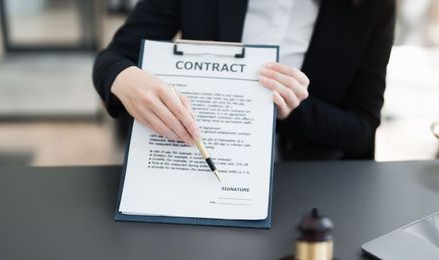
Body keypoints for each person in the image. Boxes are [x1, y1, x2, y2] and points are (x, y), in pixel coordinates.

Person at [93, 0, 395, 160]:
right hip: (198, 159)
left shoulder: (373, 6)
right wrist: (123, 78)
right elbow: (112, 59)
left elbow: (362, 130)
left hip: (310, 178)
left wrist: (290, 109)